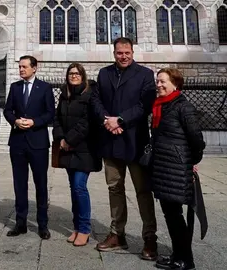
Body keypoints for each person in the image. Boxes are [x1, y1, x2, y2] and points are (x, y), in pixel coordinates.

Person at [90, 37, 158, 260]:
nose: (124, 56)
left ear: (132, 51)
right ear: (114, 53)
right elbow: (96, 101)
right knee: (115, 189)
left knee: (142, 191)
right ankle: (117, 233)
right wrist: (106, 120)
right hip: (110, 140)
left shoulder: (145, 75)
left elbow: (144, 106)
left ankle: (149, 237)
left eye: (127, 52)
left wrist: (120, 120)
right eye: (120, 53)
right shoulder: (104, 74)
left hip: (135, 141)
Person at [150, 68, 205, 270]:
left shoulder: (183, 107)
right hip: (163, 168)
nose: (159, 85)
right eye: (157, 81)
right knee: (170, 215)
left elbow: (197, 140)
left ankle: (186, 260)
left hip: (176, 169)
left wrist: (191, 162)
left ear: (175, 83)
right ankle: (177, 254)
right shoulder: (161, 106)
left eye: (163, 81)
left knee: (176, 216)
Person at [3, 55, 55, 240]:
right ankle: (21, 222)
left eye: (24, 67)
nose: (21, 70)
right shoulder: (15, 87)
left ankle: (42, 224)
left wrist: (34, 122)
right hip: (17, 142)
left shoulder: (45, 88)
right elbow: (8, 110)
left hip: (38, 143)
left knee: (40, 184)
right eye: (19, 67)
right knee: (19, 184)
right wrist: (15, 121)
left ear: (34, 68)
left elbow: (50, 113)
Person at [52, 63, 102, 246]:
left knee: (80, 187)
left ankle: (85, 229)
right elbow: (57, 118)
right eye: (71, 73)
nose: (74, 76)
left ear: (83, 75)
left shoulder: (90, 94)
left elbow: (88, 121)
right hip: (66, 148)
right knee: (73, 188)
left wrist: (70, 139)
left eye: (77, 73)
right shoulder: (65, 95)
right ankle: (76, 226)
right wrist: (60, 137)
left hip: (84, 149)